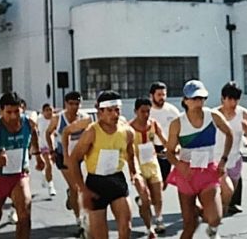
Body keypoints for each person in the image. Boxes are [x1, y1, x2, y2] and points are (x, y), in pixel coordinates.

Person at [166, 80, 233, 239]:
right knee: (189, 225)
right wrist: (178, 164)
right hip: (186, 174)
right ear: (185, 100)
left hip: (208, 171)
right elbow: (169, 152)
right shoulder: (177, 123)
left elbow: (229, 134)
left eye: (201, 98)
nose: (198, 102)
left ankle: (211, 229)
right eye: (194, 98)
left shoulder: (213, 116)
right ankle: (196, 210)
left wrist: (223, 160)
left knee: (215, 218)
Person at [0, 92, 45, 239]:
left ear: (22, 109)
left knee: (24, 215)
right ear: (1, 111)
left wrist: (38, 156)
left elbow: (34, 135)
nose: (13, 116)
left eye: (16, 111)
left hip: (19, 175)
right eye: (8, 112)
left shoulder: (29, 123)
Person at [68, 90, 137, 239]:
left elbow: (131, 153)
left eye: (117, 110)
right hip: (96, 184)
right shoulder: (91, 132)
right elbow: (73, 160)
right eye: (110, 111)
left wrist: (134, 173)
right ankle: (87, 227)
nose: (115, 114)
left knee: (126, 228)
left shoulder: (127, 132)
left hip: (117, 181)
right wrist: (83, 189)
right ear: (100, 111)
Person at [45, 91, 90, 231]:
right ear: (66, 104)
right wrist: (51, 150)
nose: (74, 107)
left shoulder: (84, 118)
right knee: (76, 187)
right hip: (63, 156)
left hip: (80, 156)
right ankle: (79, 218)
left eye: (77, 104)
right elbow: (48, 133)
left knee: (80, 186)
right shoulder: (58, 119)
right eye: (71, 104)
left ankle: (72, 196)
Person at [215, 82, 247, 215]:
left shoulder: (244, 114)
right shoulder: (214, 115)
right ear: (223, 99)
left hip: (235, 159)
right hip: (217, 158)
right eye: (230, 99)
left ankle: (223, 208)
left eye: (236, 99)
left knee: (229, 192)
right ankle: (216, 214)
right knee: (227, 190)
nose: (233, 102)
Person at [130, 97, 167, 237]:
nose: (145, 115)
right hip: (138, 166)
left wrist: (171, 149)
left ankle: (159, 219)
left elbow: (164, 140)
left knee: (158, 196)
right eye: (142, 111)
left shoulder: (154, 124)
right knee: (146, 199)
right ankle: (148, 227)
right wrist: (132, 170)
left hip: (152, 164)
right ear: (135, 111)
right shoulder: (129, 128)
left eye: (148, 111)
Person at [149, 82, 180, 190]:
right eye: (159, 95)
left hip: (169, 149)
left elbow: (181, 130)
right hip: (152, 149)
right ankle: (146, 199)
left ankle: (149, 200)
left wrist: (178, 145)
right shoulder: (148, 112)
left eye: (164, 95)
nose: (162, 98)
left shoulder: (172, 111)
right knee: (155, 181)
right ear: (151, 96)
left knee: (164, 183)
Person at [37, 103, 57, 197]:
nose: (49, 112)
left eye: (51, 110)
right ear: (43, 111)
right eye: (47, 110)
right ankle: (51, 186)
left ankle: (46, 175)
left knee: (49, 165)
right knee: (48, 163)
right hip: (42, 145)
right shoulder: (39, 120)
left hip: (52, 146)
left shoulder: (55, 120)